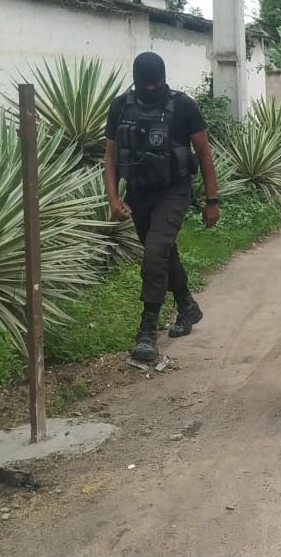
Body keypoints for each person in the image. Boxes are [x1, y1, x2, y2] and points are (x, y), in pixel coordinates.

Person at [104, 51, 220, 362]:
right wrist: (114, 198)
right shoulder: (120, 107)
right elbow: (111, 156)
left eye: (156, 85)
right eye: (146, 85)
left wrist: (212, 200)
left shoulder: (183, 106)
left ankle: (147, 330)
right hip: (139, 192)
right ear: (136, 81)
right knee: (163, 252)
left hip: (174, 190)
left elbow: (204, 154)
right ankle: (187, 306)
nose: (151, 90)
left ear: (164, 80)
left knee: (155, 253)